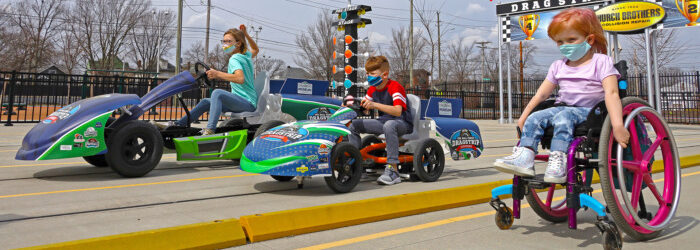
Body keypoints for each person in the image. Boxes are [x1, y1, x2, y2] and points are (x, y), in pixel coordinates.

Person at [493, 8, 629, 183]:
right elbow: (541, 94)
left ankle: (558, 158)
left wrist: (618, 125)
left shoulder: (601, 62)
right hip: (563, 108)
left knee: (565, 115)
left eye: (572, 40)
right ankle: (525, 157)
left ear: (589, 39)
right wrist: (524, 117)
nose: (565, 46)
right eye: (560, 42)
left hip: (592, 111)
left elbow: (611, 93)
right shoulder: (558, 66)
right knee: (537, 116)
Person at [156, 25, 259, 135]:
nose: (225, 45)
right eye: (223, 41)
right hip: (246, 102)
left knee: (217, 93)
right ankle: (178, 125)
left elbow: (240, 78)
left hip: (246, 102)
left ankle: (210, 129)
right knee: (205, 102)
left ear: (238, 43)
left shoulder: (235, 59)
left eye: (228, 41)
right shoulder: (245, 55)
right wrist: (246, 34)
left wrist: (217, 74)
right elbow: (256, 49)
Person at [348, 56, 413, 185]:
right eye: (367, 73)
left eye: (372, 74)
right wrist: (360, 107)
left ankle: (393, 171)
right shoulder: (372, 89)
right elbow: (366, 108)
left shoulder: (395, 87)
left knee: (389, 125)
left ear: (385, 75)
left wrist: (374, 105)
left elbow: (398, 111)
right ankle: (356, 165)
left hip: (402, 123)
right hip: (384, 122)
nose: (369, 76)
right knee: (354, 125)